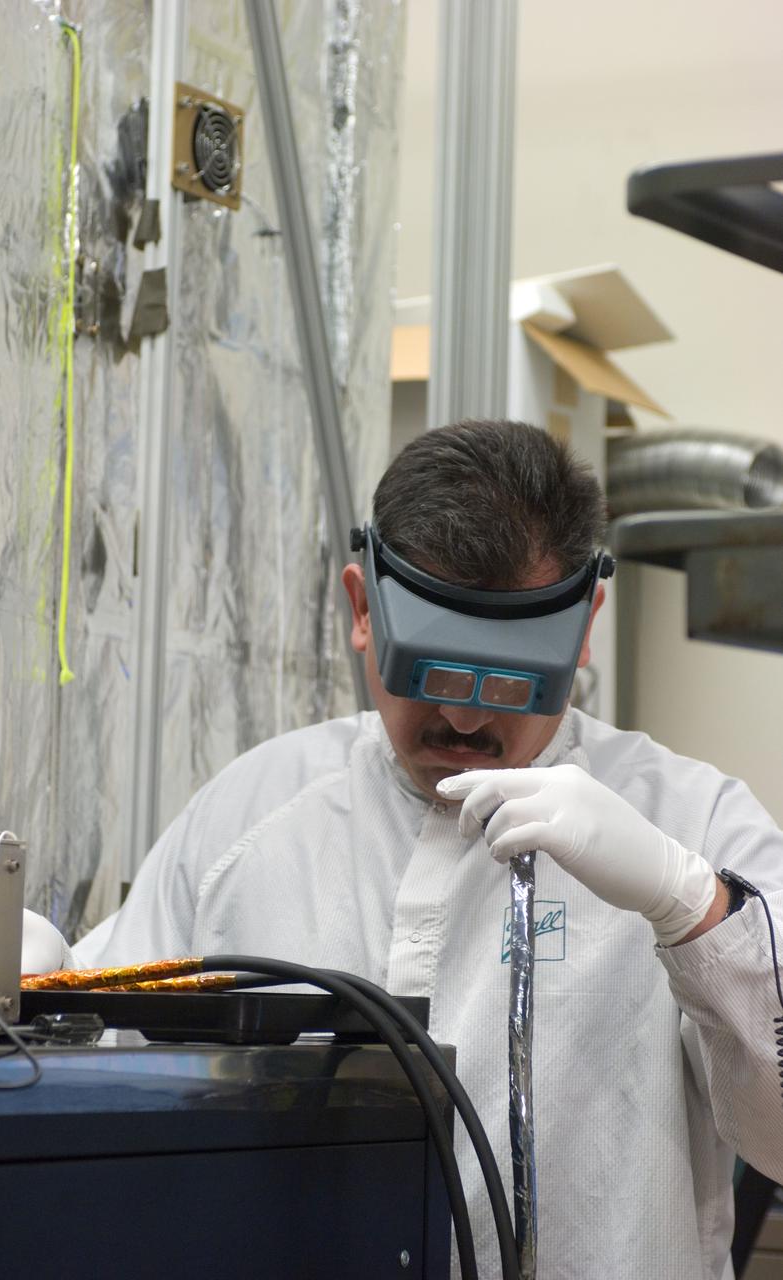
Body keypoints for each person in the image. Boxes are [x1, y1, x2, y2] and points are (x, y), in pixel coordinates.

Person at [73, 418, 783, 1280]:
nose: (466, 719)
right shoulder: (249, 820)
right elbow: (98, 1082)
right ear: (364, 608)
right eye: (433, 675)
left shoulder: (697, 825)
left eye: (512, 683)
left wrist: (693, 911)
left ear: (584, 624)